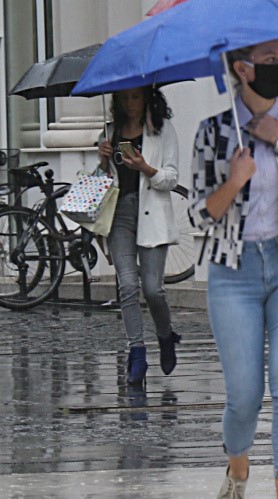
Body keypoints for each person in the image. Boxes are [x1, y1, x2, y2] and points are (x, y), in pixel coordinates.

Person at [188, 39, 278, 499]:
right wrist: (234, 182)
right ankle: (237, 465)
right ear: (243, 69)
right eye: (270, 61)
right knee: (246, 395)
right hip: (235, 272)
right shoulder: (213, 132)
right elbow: (198, 215)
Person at [97, 86, 181, 386]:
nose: (130, 103)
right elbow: (104, 182)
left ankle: (165, 335)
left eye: (135, 97)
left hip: (152, 215)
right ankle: (136, 352)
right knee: (128, 285)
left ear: (146, 98)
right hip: (119, 214)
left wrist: (145, 167)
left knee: (153, 289)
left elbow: (171, 178)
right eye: (123, 98)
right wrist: (104, 160)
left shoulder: (162, 130)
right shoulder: (109, 131)